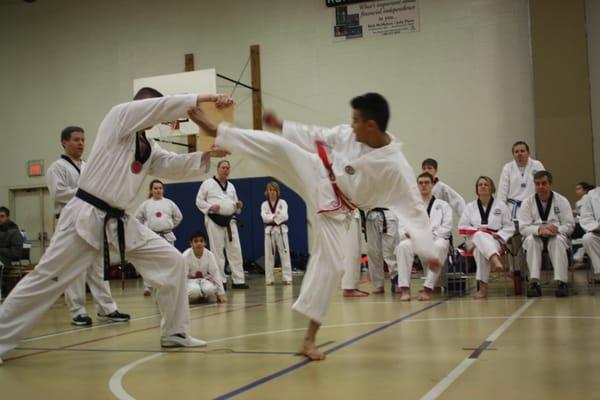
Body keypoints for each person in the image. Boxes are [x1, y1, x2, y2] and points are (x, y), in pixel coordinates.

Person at [187, 92, 440, 361]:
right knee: (278, 147)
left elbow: (414, 210)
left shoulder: (395, 168)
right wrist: (282, 126)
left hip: (338, 208)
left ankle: (308, 340)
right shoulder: (348, 134)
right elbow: (317, 134)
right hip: (318, 170)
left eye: (356, 121)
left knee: (332, 266)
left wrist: (428, 251)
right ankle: (219, 131)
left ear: (371, 125)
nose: (350, 125)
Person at [0, 88, 233, 363]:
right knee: (47, 279)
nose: (152, 113)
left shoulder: (148, 145)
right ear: (138, 106)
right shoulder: (119, 117)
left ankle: (175, 333)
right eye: (150, 107)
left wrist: (206, 157)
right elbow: (161, 107)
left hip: (118, 220)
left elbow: (172, 165)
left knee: (172, 261)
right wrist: (204, 99)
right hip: (85, 214)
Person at [47, 126, 130, 326]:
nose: (81, 143)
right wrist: (86, 193)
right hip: (69, 221)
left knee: (98, 266)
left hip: (93, 221)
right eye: (76, 139)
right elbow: (58, 193)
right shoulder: (56, 167)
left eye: (83, 139)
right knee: (75, 268)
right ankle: (77, 311)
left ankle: (107, 308)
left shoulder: (88, 166)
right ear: (64, 142)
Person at [395, 172, 452, 301]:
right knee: (403, 246)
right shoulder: (410, 205)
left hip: (436, 239)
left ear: (432, 184)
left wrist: (430, 236)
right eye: (420, 183)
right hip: (415, 240)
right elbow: (402, 226)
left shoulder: (443, 205)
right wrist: (409, 234)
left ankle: (427, 289)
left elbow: (447, 228)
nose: (423, 185)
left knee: (440, 245)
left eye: (427, 182)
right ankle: (404, 289)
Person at [518, 171, 574, 297]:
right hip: (536, 236)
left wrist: (556, 229)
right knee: (531, 241)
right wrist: (539, 230)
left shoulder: (561, 201)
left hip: (556, 235)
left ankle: (561, 282)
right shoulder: (527, 203)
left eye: (544, 183)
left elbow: (570, 225)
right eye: (537, 184)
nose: (541, 187)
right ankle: (534, 283)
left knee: (558, 241)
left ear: (550, 185)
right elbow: (522, 227)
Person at [458, 176, 514, 299]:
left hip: (494, 240)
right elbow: (461, 227)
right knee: (479, 235)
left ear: (491, 188)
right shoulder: (470, 206)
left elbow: (510, 227)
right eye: (480, 185)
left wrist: (498, 234)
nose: (483, 186)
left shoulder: (501, 206)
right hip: (473, 240)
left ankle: (483, 289)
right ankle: (495, 260)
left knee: (480, 251)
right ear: (477, 189)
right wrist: (477, 230)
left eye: (486, 184)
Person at [497, 141, 545, 282]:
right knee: (515, 241)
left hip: (533, 208)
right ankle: (516, 271)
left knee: (531, 239)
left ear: (528, 152)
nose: (519, 154)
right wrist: (502, 212)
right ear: (513, 154)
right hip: (513, 209)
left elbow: (543, 184)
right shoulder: (508, 168)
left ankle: (532, 272)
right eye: (516, 151)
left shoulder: (537, 165)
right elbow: (502, 192)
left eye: (522, 151)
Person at [195, 160, 248, 289]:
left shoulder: (231, 186)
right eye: (223, 167)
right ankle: (221, 281)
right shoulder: (207, 184)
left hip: (230, 221)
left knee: (235, 250)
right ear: (217, 169)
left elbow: (235, 204)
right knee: (217, 251)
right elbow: (198, 201)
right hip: (214, 220)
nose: (225, 170)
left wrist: (238, 206)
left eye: (227, 168)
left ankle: (238, 280)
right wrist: (210, 207)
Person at [135, 179, 183, 296]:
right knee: (151, 262)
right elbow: (137, 219)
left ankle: (168, 284)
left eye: (160, 188)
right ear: (151, 190)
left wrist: (169, 227)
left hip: (167, 235)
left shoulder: (169, 203)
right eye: (155, 188)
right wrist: (144, 230)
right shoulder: (145, 204)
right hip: (151, 236)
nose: (158, 190)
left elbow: (178, 217)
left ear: (163, 190)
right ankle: (148, 287)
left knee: (169, 260)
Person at [260, 181, 293, 286]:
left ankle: (287, 278)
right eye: (270, 190)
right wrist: (274, 217)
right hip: (269, 232)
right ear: (267, 192)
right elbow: (264, 218)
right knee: (269, 255)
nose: (272, 192)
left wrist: (271, 218)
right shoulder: (264, 204)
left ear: (277, 191)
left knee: (285, 253)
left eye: (274, 190)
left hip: (281, 230)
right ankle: (269, 279)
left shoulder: (283, 202)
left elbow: (285, 216)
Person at [183, 232, 226, 303]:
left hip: (205, 279)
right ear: (191, 243)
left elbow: (215, 274)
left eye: (201, 241)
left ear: (205, 243)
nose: (199, 243)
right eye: (196, 241)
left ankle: (203, 295)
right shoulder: (185, 255)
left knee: (210, 290)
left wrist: (221, 293)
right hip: (190, 281)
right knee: (194, 291)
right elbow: (182, 276)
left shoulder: (209, 254)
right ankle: (196, 296)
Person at [365, 206, 399, 294]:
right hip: (371, 215)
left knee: (391, 250)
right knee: (373, 252)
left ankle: (396, 281)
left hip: (389, 214)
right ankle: (378, 284)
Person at [341, 209, 369, 297]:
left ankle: (353, 286)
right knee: (350, 252)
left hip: (354, 212)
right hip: (347, 213)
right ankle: (348, 288)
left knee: (356, 252)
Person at [579, 185, 600, 281]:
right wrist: (596, 226)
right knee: (588, 238)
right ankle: (599, 272)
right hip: (599, 232)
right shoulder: (592, 195)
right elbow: (585, 217)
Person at [572, 181, 595, 267]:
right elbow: (579, 212)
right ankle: (579, 258)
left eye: (579, 189)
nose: (577, 191)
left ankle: (579, 258)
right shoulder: (578, 202)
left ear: (585, 190)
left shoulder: (588, 198)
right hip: (582, 224)